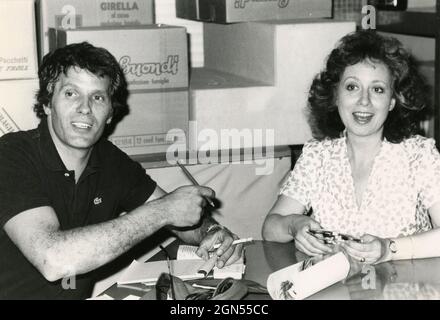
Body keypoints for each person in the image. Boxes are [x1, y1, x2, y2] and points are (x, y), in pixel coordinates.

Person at [0, 42, 242, 299]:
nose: (85, 107)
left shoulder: (111, 161)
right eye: (71, 93)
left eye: (98, 97)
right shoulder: (11, 156)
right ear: (48, 103)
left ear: (110, 113)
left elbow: (182, 216)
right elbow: (53, 260)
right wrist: (162, 212)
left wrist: (213, 233)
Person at [262, 30, 440, 266]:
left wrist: (389, 249)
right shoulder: (318, 156)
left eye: (377, 89)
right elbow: (271, 227)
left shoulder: (419, 154)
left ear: (392, 102)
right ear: (336, 96)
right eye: (352, 87)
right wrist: (294, 226)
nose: (364, 101)